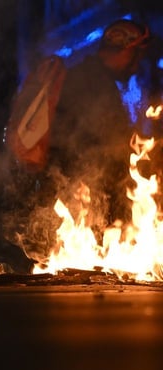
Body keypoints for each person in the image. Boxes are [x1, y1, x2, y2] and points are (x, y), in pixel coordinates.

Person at [45, 17, 152, 227]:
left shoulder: (86, 75)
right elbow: (108, 150)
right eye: (138, 54)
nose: (138, 64)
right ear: (126, 50)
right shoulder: (93, 83)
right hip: (83, 195)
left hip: (75, 191)